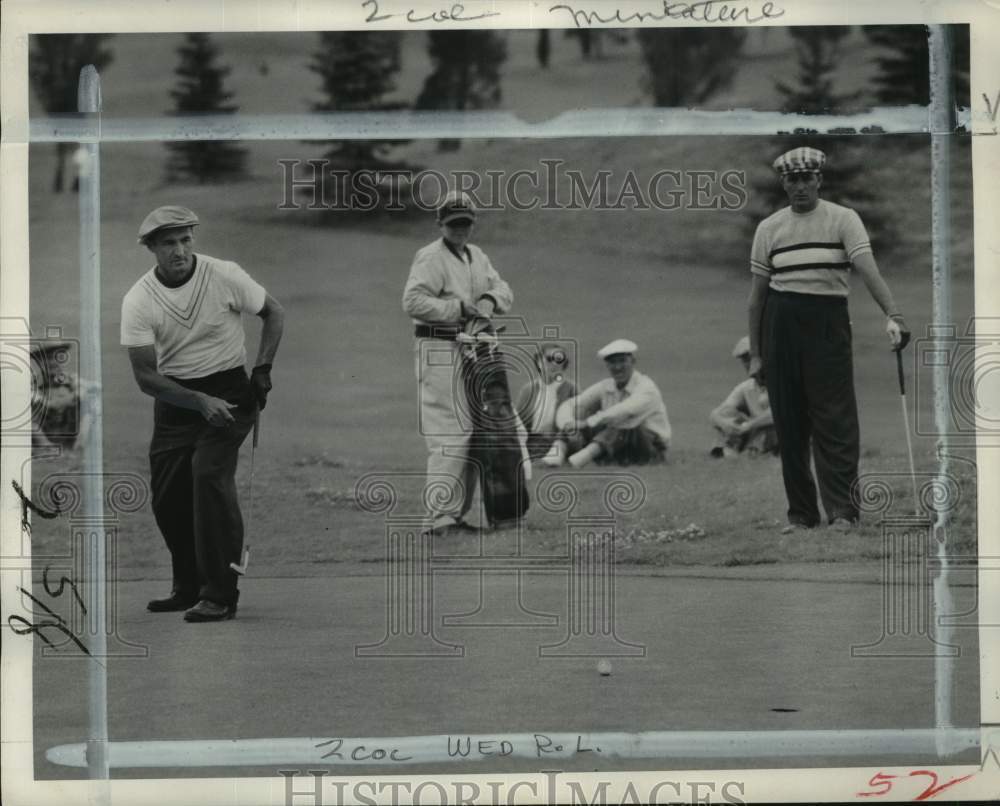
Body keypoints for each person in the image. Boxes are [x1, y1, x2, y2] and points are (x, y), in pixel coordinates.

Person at [121, 206, 284, 621]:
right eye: (168, 243)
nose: (179, 250)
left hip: (231, 392)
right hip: (177, 399)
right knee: (167, 498)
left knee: (208, 476)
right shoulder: (139, 299)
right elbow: (145, 377)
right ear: (152, 249)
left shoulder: (223, 273)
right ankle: (189, 585)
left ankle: (220, 594)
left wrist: (262, 368)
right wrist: (196, 402)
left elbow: (273, 313)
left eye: (185, 240)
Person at [747, 147, 909, 534]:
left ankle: (843, 513)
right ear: (783, 183)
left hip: (827, 322)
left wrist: (894, 314)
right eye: (792, 180)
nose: (800, 186)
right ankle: (801, 514)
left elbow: (868, 271)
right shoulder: (769, 228)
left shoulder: (843, 219)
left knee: (834, 420)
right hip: (780, 326)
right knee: (789, 422)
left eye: (807, 178)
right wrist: (756, 354)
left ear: (819, 179)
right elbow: (757, 299)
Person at [402, 191, 515, 536]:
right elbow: (413, 301)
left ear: (473, 223)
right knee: (448, 433)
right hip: (437, 348)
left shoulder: (476, 256)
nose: (460, 230)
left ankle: (455, 515)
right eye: (453, 224)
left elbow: (504, 289)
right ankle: (437, 517)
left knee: (471, 431)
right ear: (440, 224)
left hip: (469, 351)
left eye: (465, 223)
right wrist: (460, 308)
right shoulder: (431, 256)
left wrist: (488, 299)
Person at [548, 339, 671, 467]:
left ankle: (579, 460)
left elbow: (624, 410)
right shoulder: (605, 386)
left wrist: (586, 423)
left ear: (633, 362)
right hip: (618, 445)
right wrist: (568, 424)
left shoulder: (646, 387)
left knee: (624, 423)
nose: (617, 367)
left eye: (622, 361)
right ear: (607, 365)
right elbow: (571, 404)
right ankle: (555, 457)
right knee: (583, 416)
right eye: (612, 362)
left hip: (650, 448)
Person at [709, 335, 777, 458]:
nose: (747, 364)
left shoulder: (782, 384)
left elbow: (779, 415)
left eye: (749, 358)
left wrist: (749, 425)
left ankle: (742, 451)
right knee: (730, 416)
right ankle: (728, 451)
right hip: (755, 433)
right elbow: (716, 414)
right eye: (744, 360)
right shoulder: (746, 387)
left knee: (768, 428)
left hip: (778, 435)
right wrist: (726, 424)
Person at [514, 342, 577, 462]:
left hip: (557, 441)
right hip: (532, 441)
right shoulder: (528, 390)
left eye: (559, 359)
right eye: (548, 359)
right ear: (538, 362)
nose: (553, 364)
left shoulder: (571, 388)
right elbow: (518, 421)